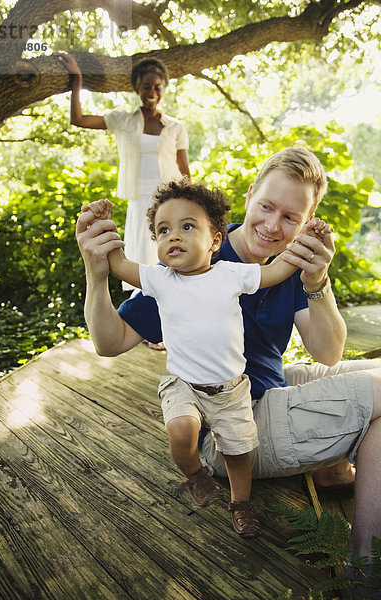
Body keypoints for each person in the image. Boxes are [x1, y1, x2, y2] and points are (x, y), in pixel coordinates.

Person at [76, 146, 381, 569]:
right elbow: (109, 342)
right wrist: (96, 275)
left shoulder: (286, 265)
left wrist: (318, 279)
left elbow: (328, 353)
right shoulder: (194, 256)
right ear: (251, 193)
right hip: (226, 430)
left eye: (291, 217)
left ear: (307, 221)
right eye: (267, 206)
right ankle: (368, 561)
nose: (274, 226)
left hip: (265, 391)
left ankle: (340, 479)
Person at [83, 182, 333, 537]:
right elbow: (119, 263)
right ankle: (196, 475)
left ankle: (240, 502)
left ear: (216, 241)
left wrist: (306, 241)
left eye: (188, 226)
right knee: (181, 430)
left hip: (230, 388)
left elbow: (276, 272)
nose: (175, 236)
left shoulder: (231, 274)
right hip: (183, 383)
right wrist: (100, 227)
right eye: (164, 230)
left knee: (238, 451)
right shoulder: (160, 279)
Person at [57, 51, 190, 290]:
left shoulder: (176, 127)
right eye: (147, 87)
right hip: (140, 201)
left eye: (157, 87)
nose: (152, 93)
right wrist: (76, 80)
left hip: (170, 200)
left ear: (164, 88)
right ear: (137, 88)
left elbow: (185, 171)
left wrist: (192, 205)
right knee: (143, 261)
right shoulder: (124, 120)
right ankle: (141, 312)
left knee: (173, 257)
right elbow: (79, 119)